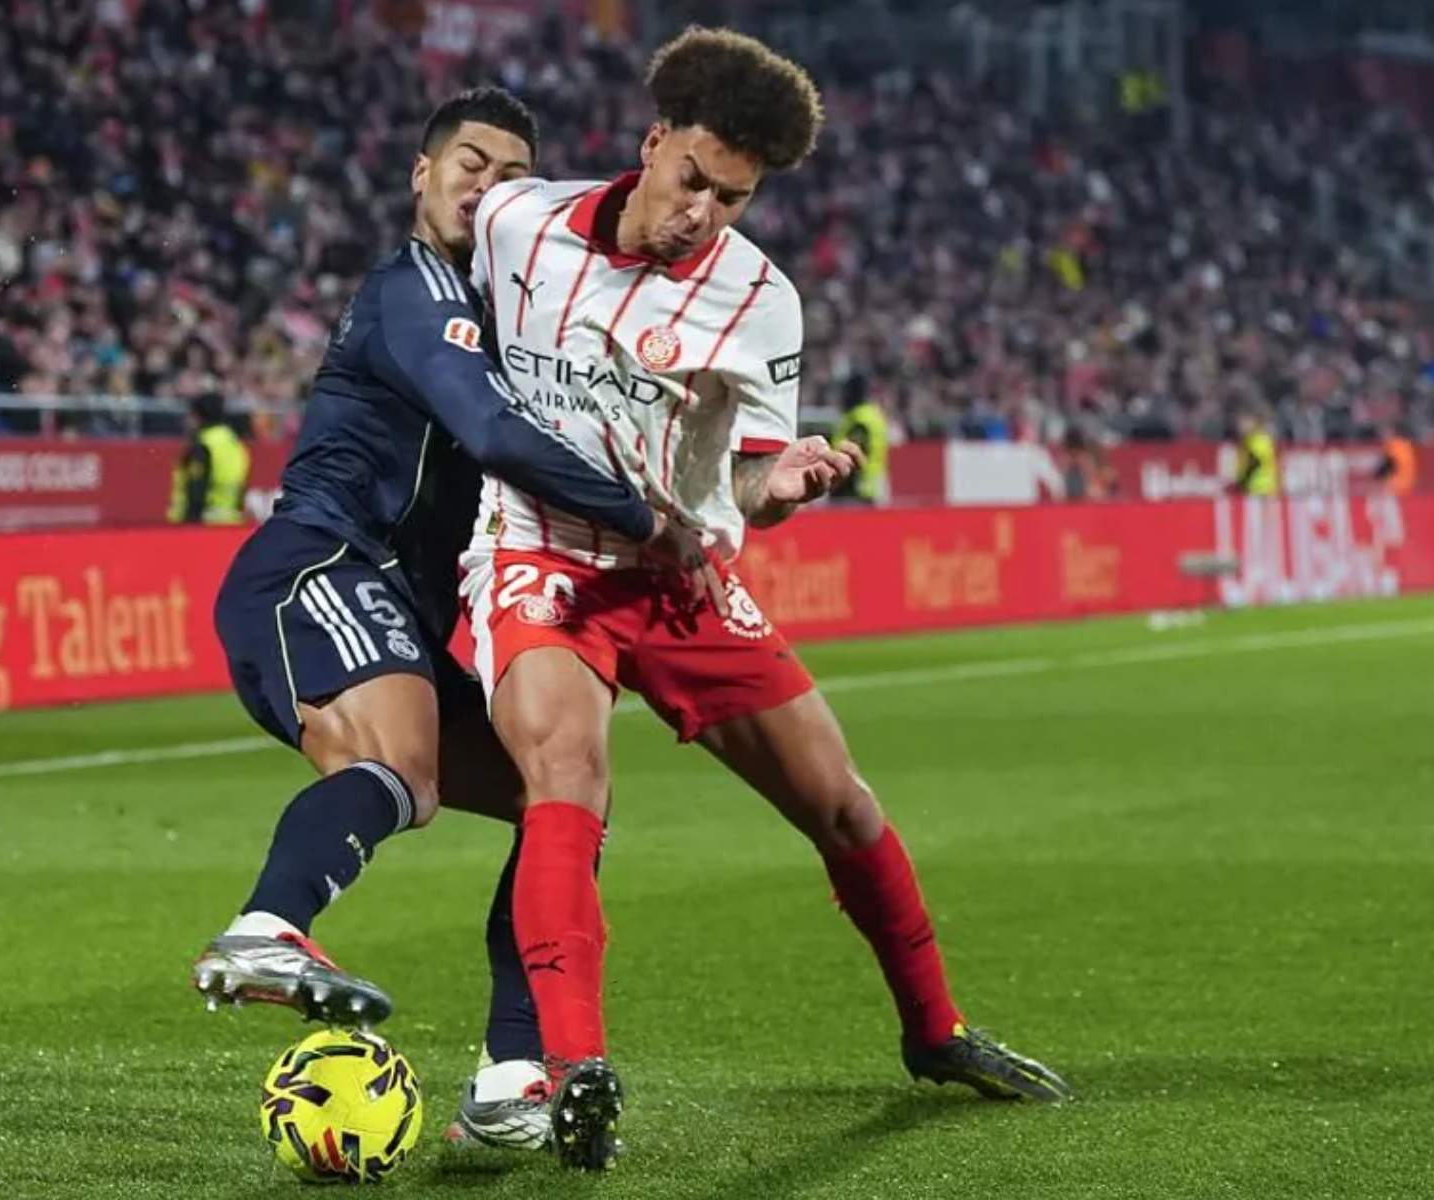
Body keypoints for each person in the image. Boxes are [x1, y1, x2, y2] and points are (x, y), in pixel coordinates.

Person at [459, 27, 1073, 1170]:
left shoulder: (758, 301)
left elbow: (742, 472)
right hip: (542, 554)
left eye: (731, 201)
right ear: (651, 144)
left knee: (839, 804)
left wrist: (773, 486)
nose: (702, 215)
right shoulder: (516, 223)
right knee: (567, 775)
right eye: (692, 179)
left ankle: (933, 1031)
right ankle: (576, 1066)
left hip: (681, 570)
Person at [193, 90, 703, 1052]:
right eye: (473, 163)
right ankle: (266, 929)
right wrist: (642, 517)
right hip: (325, 561)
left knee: (562, 795)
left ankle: (514, 1073)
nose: (490, 187)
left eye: (515, 177)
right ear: (423, 173)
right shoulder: (415, 288)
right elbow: (489, 430)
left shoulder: (516, 324)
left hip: (402, 604)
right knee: (399, 767)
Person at [168, 395, 251, 524]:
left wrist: (188, 524)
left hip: (204, 522)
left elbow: (196, 491)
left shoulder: (204, 445)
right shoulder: (234, 443)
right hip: (231, 521)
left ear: (198, 416)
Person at [831, 374, 890, 504]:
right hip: (869, 490)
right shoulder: (874, 416)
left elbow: (852, 457)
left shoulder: (858, 420)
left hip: (854, 494)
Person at [1232, 411, 1280, 497]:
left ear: (1254, 422)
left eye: (1244, 422)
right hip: (1264, 487)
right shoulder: (1257, 438)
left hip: (1259, 489)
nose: (1240, 426)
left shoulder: (1257, 440)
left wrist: (1242, 482)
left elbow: (1255, 462)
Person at [1374, 424, 1417, 496]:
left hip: (1397, 484)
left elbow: (1389, 464)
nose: (1382, 436)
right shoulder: (1405, 444)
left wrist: (1376, 478)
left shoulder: (1394, 445)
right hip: (1409, 483)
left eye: (1385, 433)